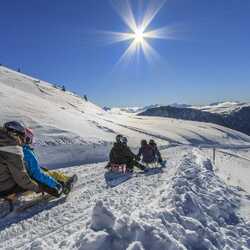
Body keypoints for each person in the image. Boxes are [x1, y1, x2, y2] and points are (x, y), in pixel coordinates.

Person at [22, 127, 77, 196]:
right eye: (30, 139)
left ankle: (66, 179)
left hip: (24, 177)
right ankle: (65, 184)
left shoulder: (17, 151)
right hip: (30, 179)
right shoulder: (27, 152)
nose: (31, 142)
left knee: (44, 170)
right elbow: (37, 174)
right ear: (26, 139)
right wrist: (55, 184)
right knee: (48, 174)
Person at [0, 121, 41, 198]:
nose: (22, 140)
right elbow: (21, 178)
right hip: (4, 188)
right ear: (15, 134)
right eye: (22, 136)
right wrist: (38, 188)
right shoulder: (12, 148)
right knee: (31, 178)